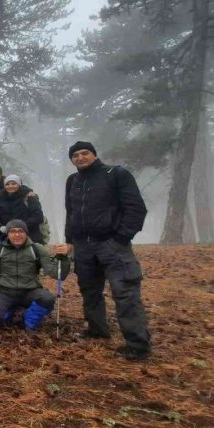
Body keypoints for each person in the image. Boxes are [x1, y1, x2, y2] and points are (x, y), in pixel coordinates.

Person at [62, 141, 151, 360]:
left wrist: (121, 237)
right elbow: (70, 212)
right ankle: (97, 330)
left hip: (112, 245)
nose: (80, 157)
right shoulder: (73, 180)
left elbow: (135, 207)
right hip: (83, 246)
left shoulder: (116, 173)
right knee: (89, 291)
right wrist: (70, 239)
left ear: (94, 154)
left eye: (85, 153)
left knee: (125, 292)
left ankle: (137, 344)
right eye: (75, 155)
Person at [0, 219, 70, 331]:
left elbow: (57, 274)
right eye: (13, 231)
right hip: (5, 292)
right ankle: (9, 311)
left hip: (29, 291)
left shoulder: (37, 248)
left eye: (21, 231)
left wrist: (63, 258)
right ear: (7, 234)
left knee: (47, 299)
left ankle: (27, 322)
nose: (17, 234)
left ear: (26, 233)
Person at [0, 175, 45, 244]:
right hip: (8, 239)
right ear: (4, 186)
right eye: (7, 184)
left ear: (19, 185)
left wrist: (20, 226)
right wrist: (0, 226)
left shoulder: (29, 197)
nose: (10, 186)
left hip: (31, 238)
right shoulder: (1, 198)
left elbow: (38, 217)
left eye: (14, 183)